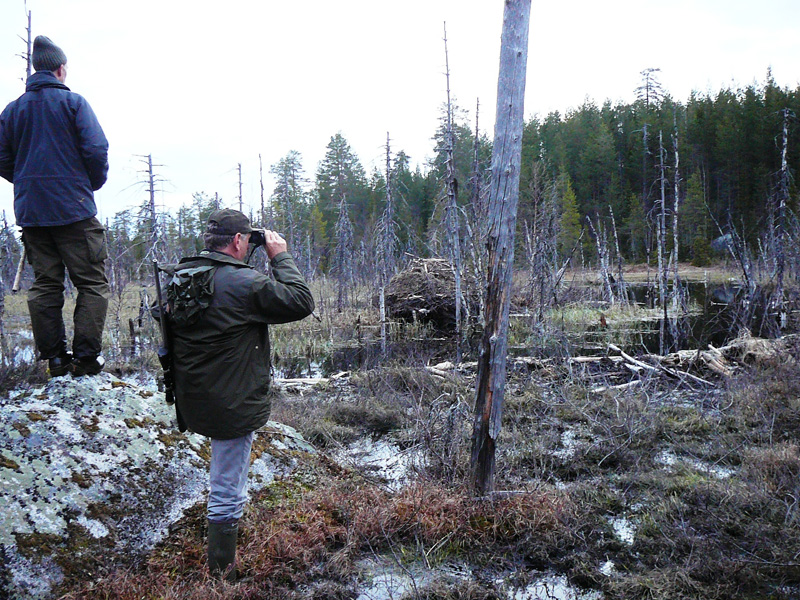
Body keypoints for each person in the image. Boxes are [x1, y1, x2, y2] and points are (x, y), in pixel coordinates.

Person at [166, 209, 314, 581]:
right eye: (248, 240)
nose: (248, 245)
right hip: (230, 403)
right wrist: (279, 256)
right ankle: (222, 578)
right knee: (227, 489)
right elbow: (300, 301)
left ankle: (221, 564)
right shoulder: (244, 283)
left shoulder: (182, 275)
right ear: (237, 241)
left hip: (194, 398)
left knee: (224, 478)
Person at [0, 35, 110, 377]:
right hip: (75, 210)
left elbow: (2, 158)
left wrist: (28, 183)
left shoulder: (12, 111)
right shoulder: (74, 103)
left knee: (46, 284)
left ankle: (56, 360)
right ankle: (86, 360)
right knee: (92, 283)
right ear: (60, 69)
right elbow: (96, 149)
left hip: (33, 214)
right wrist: (88, 185)